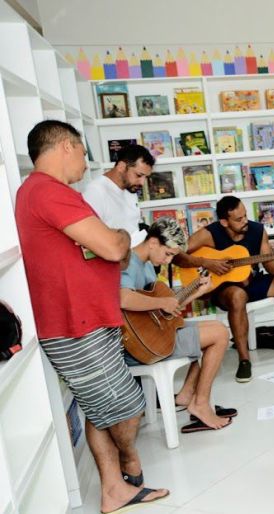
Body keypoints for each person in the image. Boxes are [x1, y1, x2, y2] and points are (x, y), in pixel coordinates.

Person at [14, 120, 169, 513]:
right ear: (65, 146)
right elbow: (113, 247)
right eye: (83, 152)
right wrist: (118, 236)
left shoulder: (43, 192)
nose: (86, 162)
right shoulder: (49, 192)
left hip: (85, 319)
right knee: (127, 405)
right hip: (77, 325)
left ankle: (113, 490)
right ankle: (130, 463)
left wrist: (111, 240)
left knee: (99, 410)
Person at [173, 196, 274, 383]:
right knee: (238, 296)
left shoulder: (257, 230)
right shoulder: (209, 233)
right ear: (224, 221)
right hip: (224, 289)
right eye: (238, 219)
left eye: (245, 215)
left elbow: (271, 267)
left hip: (252, 281)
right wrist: (207, 263)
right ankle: (244, 360)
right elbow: (177, 256)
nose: (245, 221)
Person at [119, 217, 234, 432]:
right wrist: (163, 301)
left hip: (152, 334)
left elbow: (165, 310)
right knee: (219, 334)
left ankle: (186, 395)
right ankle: (200, 404)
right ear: (153, 242)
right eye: (168, 254)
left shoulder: (146, 266)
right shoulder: (128, 263)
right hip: (140, 346)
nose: (168, 261)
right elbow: (123, 298)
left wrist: (198, 291)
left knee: (213, 327)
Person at [82, 143, 155, 234]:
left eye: (146, 177)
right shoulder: (95, 192)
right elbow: (88, 235)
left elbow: (132, 225)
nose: (142, 182)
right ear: (121, 167)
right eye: (139, 175)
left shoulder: (130, 187)